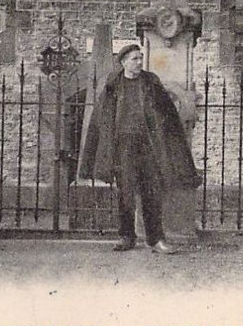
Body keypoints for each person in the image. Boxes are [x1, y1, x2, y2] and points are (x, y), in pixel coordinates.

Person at [79, 43, 200, 254]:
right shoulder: (114, 85)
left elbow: (167, 112)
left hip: (149, 146)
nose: (139, 62)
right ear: (124, 62)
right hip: (123, 147)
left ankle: (156, 240)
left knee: (151, 193)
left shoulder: (151, 82)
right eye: (134, 59)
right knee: (125, 193)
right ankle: (127, 236)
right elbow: (102, 119)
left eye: (140, 58)